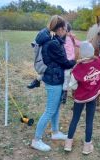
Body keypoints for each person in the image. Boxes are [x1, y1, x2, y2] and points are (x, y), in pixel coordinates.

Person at [31, 15, 76, 152]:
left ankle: (55, 132)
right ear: (60, 28)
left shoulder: (53, 39)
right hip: (53, 80)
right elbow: (65, 62)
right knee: (50, 110)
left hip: (55, 77)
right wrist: (78, 62)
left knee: (56, 108)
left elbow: (62, 61)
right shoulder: (53, 43)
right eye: (65, 29)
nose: (66, 32)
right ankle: (36, 140)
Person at [64, 36, 100, 154]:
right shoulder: (99, 62)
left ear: (80, 54)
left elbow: (73, 86)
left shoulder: (76, 69)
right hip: (93, 97)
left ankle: (68, 144)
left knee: (74, 119)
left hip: (79, 98)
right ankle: (86, 147)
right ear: (91, 52)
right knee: (89, 122)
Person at [61, 23, 80, 104]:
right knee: (65, 76)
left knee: (67, 75)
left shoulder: (71, 38)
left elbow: (79, 43)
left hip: (70, 61)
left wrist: (88, 42)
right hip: (64, 61)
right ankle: (64, 93)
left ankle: (65, 93)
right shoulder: (60, 38)